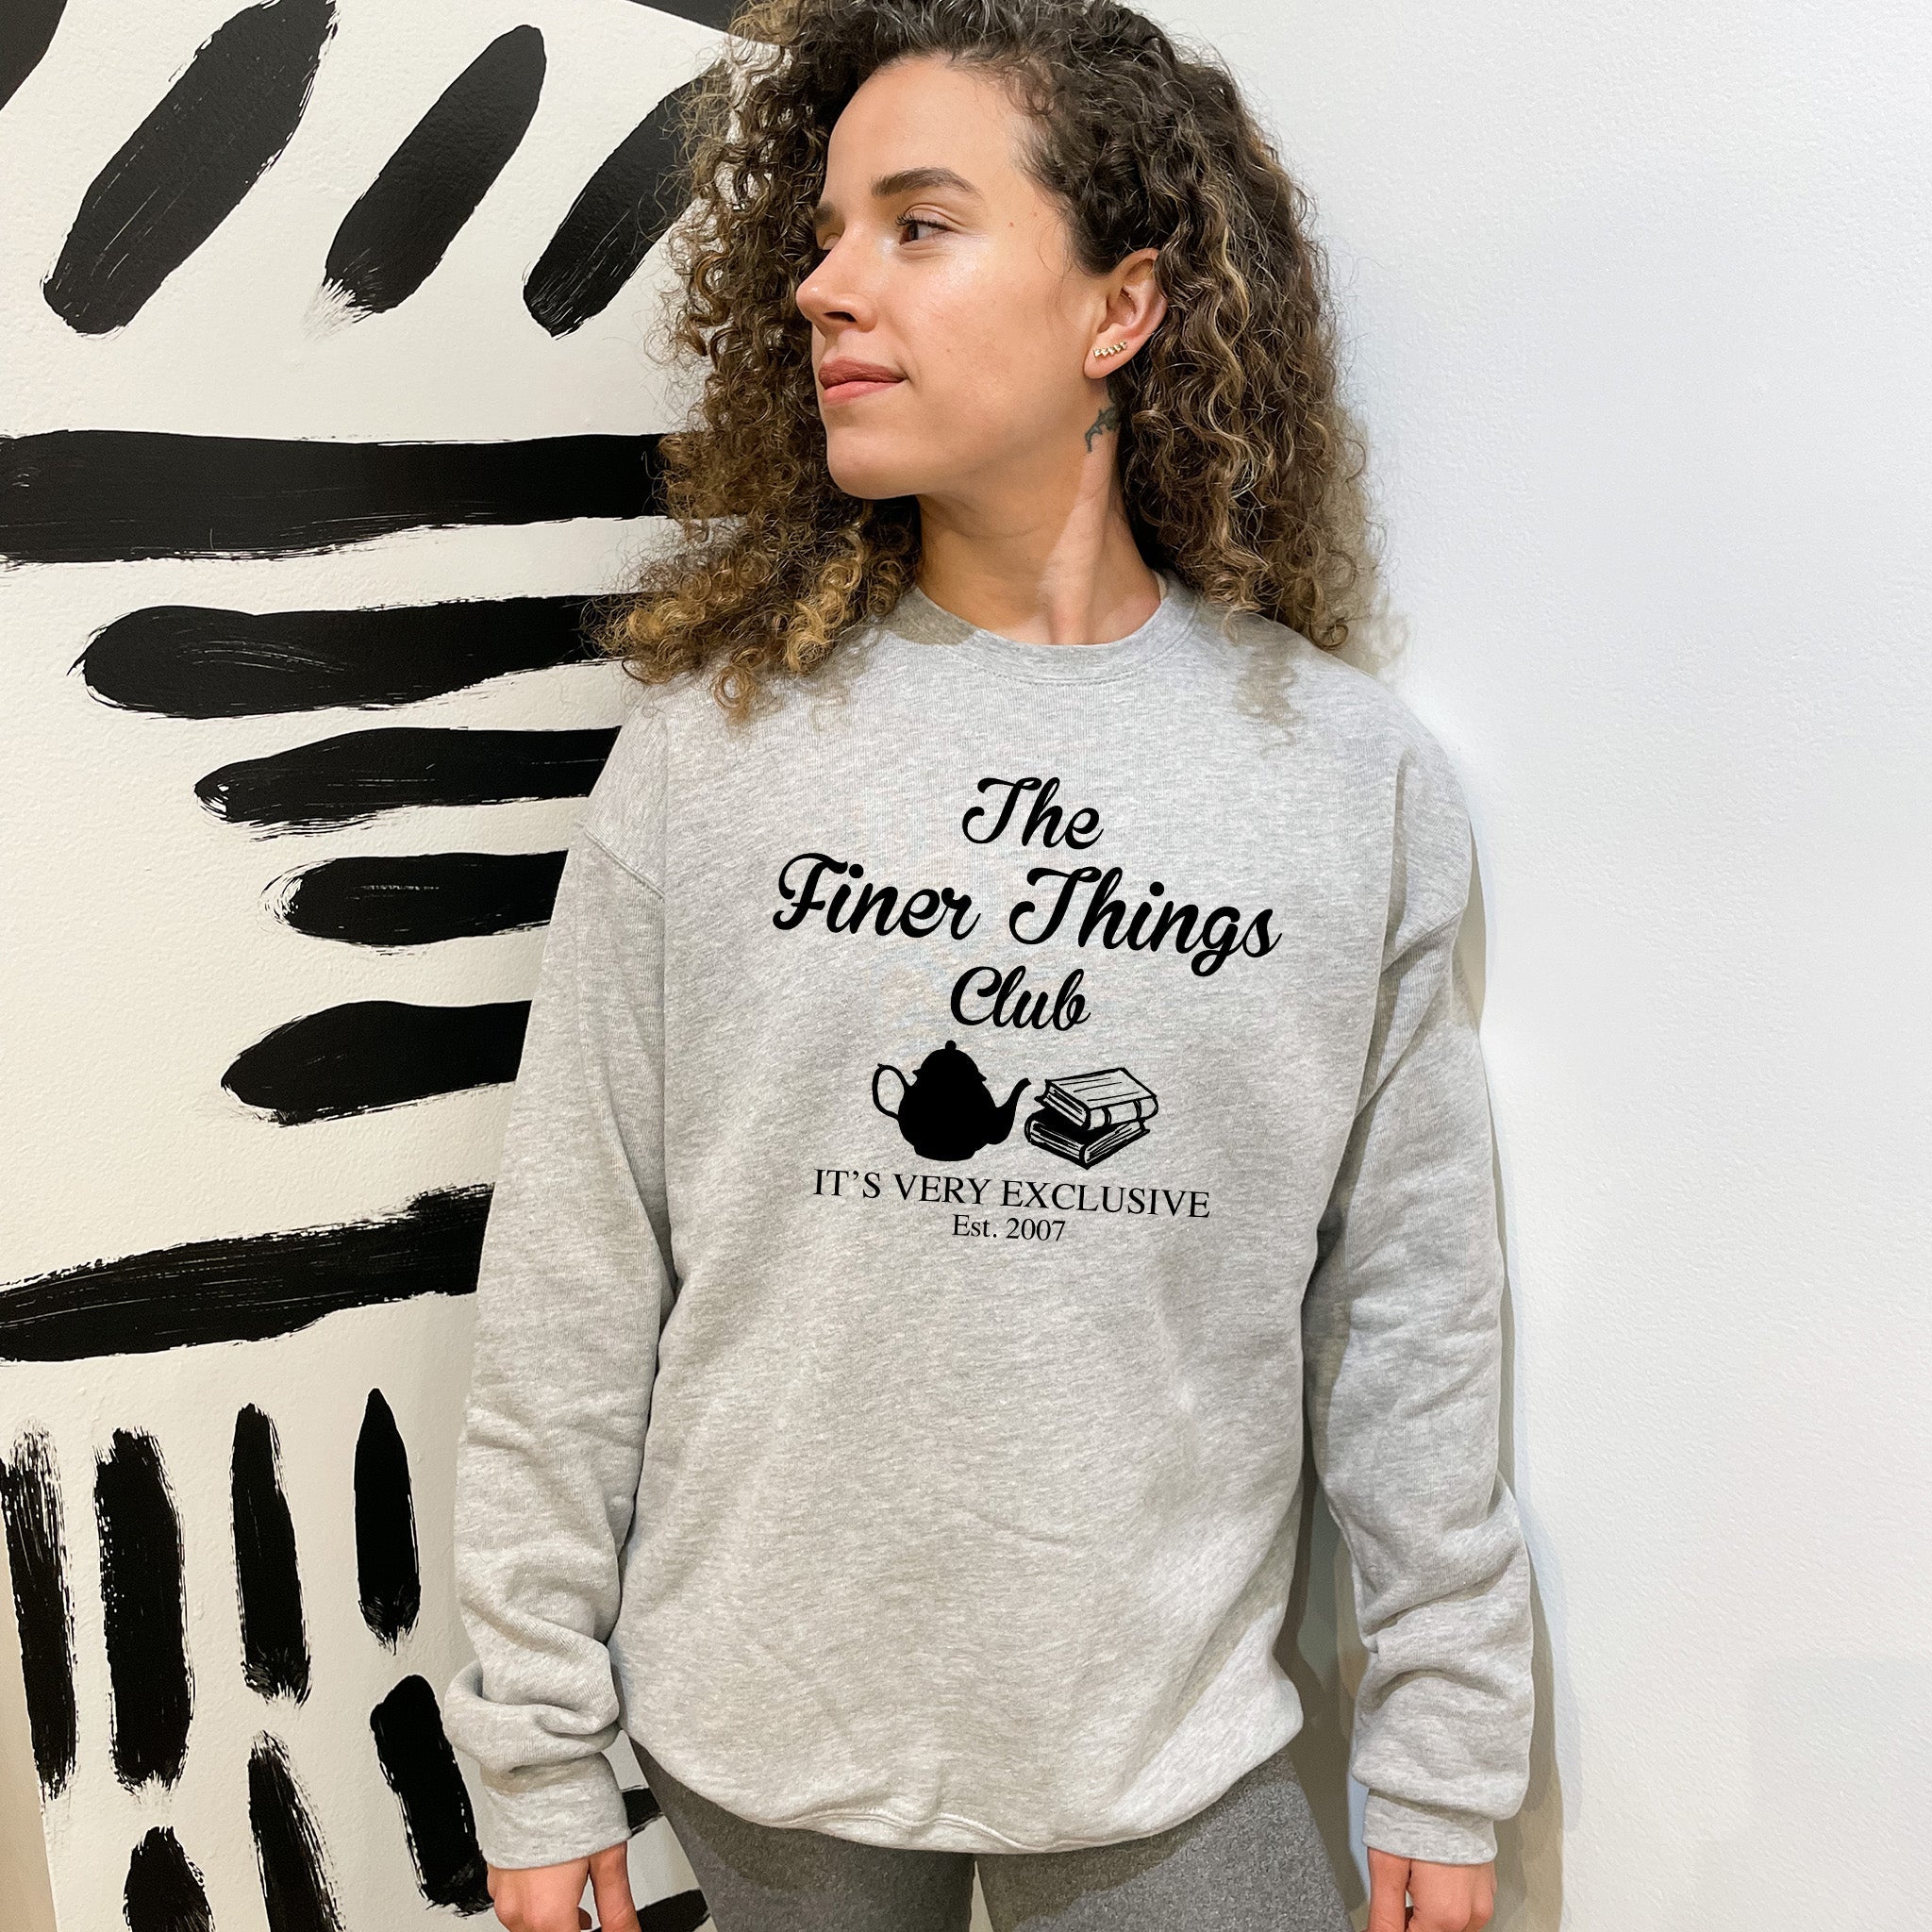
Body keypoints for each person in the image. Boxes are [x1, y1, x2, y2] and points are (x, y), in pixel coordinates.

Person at [443, 3, 1534, 1929]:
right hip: (760, 1741)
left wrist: (1444, 1746)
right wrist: (534, 1757)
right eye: (827, 227)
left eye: (917, 225)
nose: (823, 284)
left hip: (1162, 1744)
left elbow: (1414, 1316)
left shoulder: (1342, 781)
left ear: (1120, 311)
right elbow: (571, 1275)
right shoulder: (710, 756)